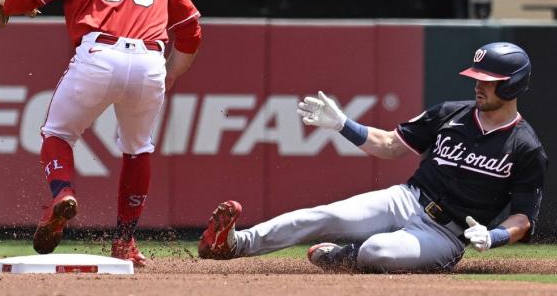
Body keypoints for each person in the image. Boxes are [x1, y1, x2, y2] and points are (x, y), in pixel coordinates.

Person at [197, 42, 547, 273]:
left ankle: (342, 257)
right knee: (322, 215)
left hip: (447, 233)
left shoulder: (524, 146)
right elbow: (390, 145)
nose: (478, 84)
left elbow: (523, 217)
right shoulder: (450, 114)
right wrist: (343, 124)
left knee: (378, 251)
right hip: (406, 199)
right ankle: (233, 244)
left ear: (513, 84)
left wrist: (495, 236)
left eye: (489, 80)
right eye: (476, 76)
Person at [0, 0, 202, 267]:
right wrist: (169, 74)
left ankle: (61, 195)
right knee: (138, 149)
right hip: (151, 60)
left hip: (100, 55)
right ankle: (124, 242)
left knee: (56, 133)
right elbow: (191, 29)